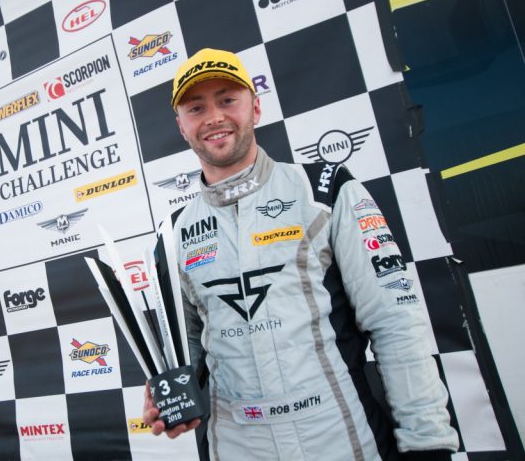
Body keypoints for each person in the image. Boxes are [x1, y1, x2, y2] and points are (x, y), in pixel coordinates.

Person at [142, 48, 459, 460]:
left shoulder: (325, 190)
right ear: (182, 127)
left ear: (256, 107)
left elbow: (395, 321)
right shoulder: (173, 232)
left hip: (342, 440)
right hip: (234, 447)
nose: (213, 117)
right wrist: (167, 394)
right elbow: (184, 354)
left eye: (227, 99)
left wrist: (427, 442)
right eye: (196, 107)